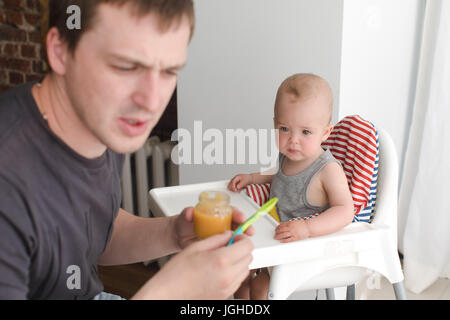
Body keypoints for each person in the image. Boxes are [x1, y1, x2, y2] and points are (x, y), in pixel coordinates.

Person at [0, 0, 254, 300]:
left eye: (169, 71)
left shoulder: (101, 123)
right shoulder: (9, 180)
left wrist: (173, 233)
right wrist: (169, 292)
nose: (151, 101)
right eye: (126, 67)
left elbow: (94, 234)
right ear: (60, 51)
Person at [228, 73, 354, 299]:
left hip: (306, 250)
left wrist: (307, 228)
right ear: (275, 124)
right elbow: (277, 175)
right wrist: (251, 178)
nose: (293, 139)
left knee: (260, 289)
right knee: (238, 275)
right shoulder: (287, 156)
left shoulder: (327, 170)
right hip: (275, 240)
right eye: (285, 129)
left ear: (325, 133)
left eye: (305, 132)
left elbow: (345, 211)